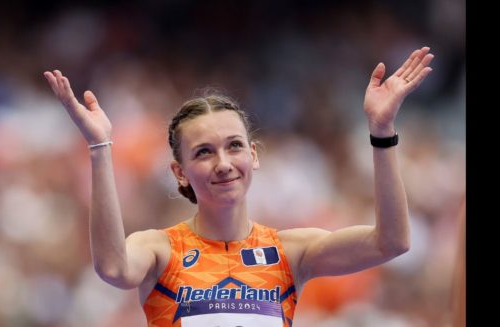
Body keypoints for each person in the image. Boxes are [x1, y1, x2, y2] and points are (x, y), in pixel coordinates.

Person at [43, 46, 434, 327]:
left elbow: (393, 242)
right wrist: (99, 147)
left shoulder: (291, 252)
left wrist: (382, 132)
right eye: (204, 152)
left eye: (234, 146)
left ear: (254, 155)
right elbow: (113, 267)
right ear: (180, 173)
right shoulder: (160, 249)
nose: (224, 164)